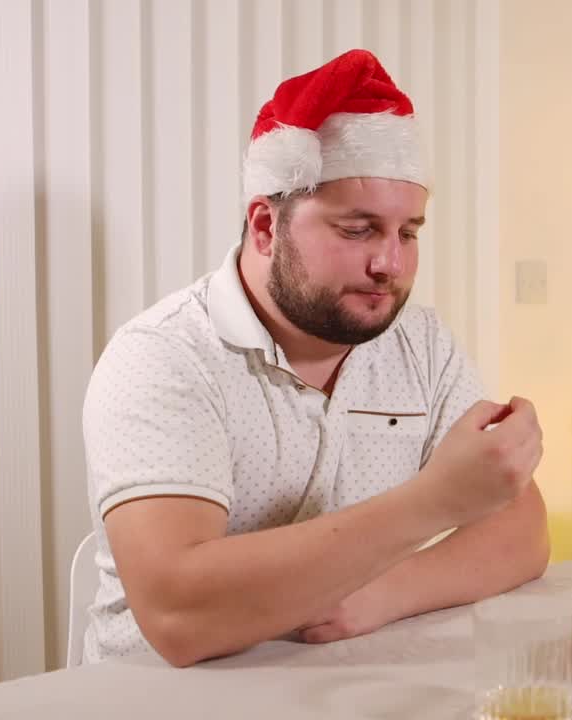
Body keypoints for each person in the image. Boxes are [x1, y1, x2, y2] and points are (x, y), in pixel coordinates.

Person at [81, 49, 548, 667]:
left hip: (340, 688)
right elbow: (179, 616)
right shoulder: (163, 358)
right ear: (266, 226)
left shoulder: (422, 344)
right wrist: (434, 502)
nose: (390, 264)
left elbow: (522, 530)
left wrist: (381, 594)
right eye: (357, 230)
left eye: (408, 232)